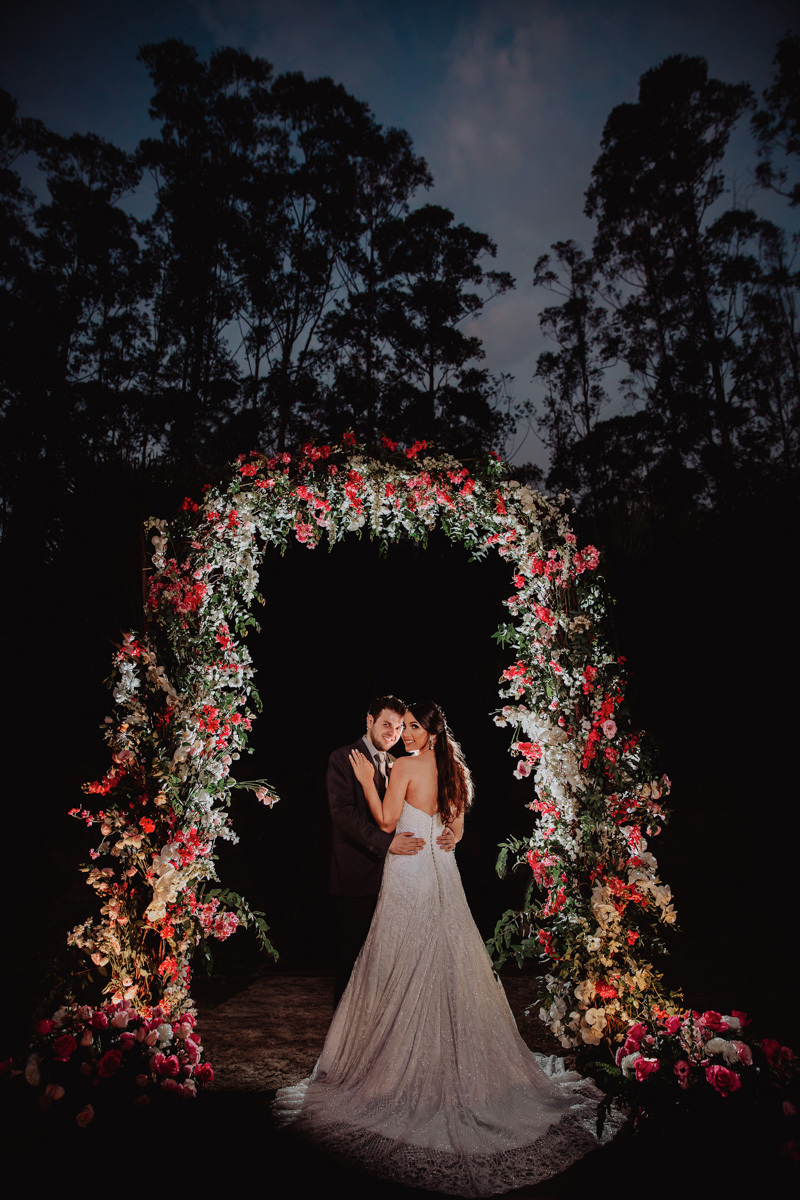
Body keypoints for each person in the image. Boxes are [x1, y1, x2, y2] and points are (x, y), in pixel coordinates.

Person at [276, 700, 616, 1196]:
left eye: (413, 726)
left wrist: (372, 785)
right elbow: (455, 824)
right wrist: (452, 830)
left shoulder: (408, 766)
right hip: (441, 874)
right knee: (446, 957)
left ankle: (393, 1068)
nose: (405, 733)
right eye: (401, 726)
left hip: (410, 873)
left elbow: (389, 821)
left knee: (401, 959)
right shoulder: (454, 770)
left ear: (431, 733)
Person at [327, 695, 455, 1005]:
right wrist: (388, 843)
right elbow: (343, 815)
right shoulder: (344, 757)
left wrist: (449, 831)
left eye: (400, 728)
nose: (394, 733)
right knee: (353, 957)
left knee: (386, 957)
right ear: (369, 721)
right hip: (359, 872)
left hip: (399, 875)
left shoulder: (399, 763)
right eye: (387, 724)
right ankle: (346, 1030)